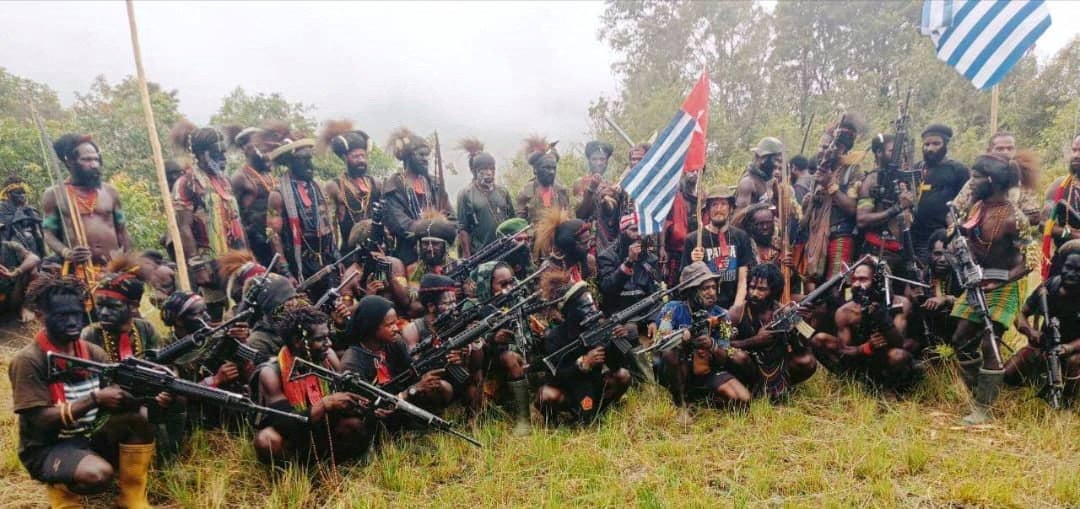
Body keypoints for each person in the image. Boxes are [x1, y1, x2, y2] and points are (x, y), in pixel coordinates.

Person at [9, 275, 156, 508]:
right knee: (98, 475)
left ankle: (132, 498)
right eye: (61, 316)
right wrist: (95, 398)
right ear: (39, 316)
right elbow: (39, 421)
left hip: (89, 433)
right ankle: (62, 494)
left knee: (140, 417)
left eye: (77, 314)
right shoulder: (29, 360)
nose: (73, 322)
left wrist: (148, 392)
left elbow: (116, 397)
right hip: (48, 446)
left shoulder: (92, 352)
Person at [948, 155, 1027, 425]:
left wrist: (1000, 280)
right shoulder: (976, 209)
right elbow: (969, 241)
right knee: (960, 339)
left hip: (1003, 286)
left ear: (991, 180)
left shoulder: (1014, 218)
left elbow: (1031, 260)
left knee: (989, 341)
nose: (972, 182)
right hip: (976, 282)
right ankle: (978, 393)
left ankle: (984, 409)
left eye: (977, 177)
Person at [251, 303, 371, 465]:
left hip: (323, 428)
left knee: (355, 425)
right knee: (267, 440)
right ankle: (295, 473)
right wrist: (325, 404)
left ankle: (333, 464)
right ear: (298, 341)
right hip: (293, 435)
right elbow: (284, 422)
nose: (328, 343)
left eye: (328, 337)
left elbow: (344, 392)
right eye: (320, 339)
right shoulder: (271, 373)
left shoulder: (327, 357)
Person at [340, 296, 453, 430]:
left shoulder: (395, 342)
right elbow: (366, 407)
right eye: (389, 325)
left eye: (396, 323)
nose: (396, 328)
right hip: (378, 413)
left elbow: (411, 373)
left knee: (442, 387)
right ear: (371, 327)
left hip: (401, 401)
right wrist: (411, 391)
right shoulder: (352, 362)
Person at [536, 268, 631, 424]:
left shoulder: (598, 328)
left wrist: (616, 340)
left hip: (594, 387)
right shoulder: (555, 337)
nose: (592, 308)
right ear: (571, 311)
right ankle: (555, 423)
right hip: (567, 391)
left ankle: (599, 411)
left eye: (591, 303)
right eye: (585, 305)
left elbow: (614, 365)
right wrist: (583, 363)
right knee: (545, 395)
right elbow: (554, 377)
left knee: (623, 375)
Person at [814, 259, 918, 393]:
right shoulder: (845, 312)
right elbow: (844, 351)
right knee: (820, 340)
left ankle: (888, 388)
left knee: (898, 356)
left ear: (878, 282)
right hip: (861, 360)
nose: (856, 284)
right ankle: (854, 382)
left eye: (863, 279)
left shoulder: (900, 303)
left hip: (887, 358)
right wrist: (865, 348)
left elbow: (899, 343)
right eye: (854, 279)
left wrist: (883, 320)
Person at [655, 262, 741, 418]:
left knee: (740, 399)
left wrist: (712, 345)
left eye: (714, 287)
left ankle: (702, 399)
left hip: (707, 371)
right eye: (705, 288)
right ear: (691, 292)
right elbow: (661, 339)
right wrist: (680, 337)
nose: (711, 292)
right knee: (670, 351)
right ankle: (680, 403)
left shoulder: (724, 316)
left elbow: (725, 353)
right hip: (679, 370)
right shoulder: (671, 309)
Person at [727, 263, 818, 401]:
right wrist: (754, 341)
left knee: (807, 361)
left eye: (761, 289)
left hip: (777, 366)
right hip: (749, 368)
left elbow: (803, 348)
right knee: (737, 357)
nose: (754, 293)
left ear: (774, 291)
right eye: (752, 287)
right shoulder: (736, 312)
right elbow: (720, 346)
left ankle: (777, 389)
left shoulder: (785, 312)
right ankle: (749, 389)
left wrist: (804, 322)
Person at [43, 133, 132, 273]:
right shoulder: (55, 194)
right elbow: (48, 234)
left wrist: (127, 262)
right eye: (87, 160)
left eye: (96, 159)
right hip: (79, 271)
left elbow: (122, 231)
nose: (94, 165)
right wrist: (67, 253)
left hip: (112, 270)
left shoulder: (110, 192)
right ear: (70, 161)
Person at [1006, 240, 1080, 401]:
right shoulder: (1050, 286)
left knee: (1074, 362)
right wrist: (1030, 332)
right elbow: (1021, 315)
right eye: (1069, 267)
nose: (1072, 273)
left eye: (1078, 270)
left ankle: (1068, 399)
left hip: (1073, 350)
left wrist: (1068, 348)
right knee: (1007, 375)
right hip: (1046, 346)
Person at [266, 130, 339, 294]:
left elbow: (329, 228)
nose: (310, 165)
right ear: (291, 162)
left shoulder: (318, 188)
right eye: (303, 160)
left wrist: (336, 256)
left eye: (310, 159)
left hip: (327, 261)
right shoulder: (278, 195)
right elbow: (274, 236)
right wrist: (286, 272)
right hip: (300, 265)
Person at [466, 261, 532, 435]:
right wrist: (491, 339)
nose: (509, 288)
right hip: (477, 365)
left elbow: (525, 340)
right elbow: (468, 344)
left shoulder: (515, 302)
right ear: (487, 284)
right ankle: (475, 419)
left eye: (511, 282)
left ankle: (524, 420)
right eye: (502, 284)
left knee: (510, 357)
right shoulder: (471, 307)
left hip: (507, 360)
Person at [797, 117, 863, 288]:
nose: (822, 151)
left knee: (835, 288)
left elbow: (852, 209)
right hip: (815, 240)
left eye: (827, 147)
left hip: (840, 236)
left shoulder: (853, 170)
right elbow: (807, 217)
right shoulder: (819, 172)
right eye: (821, 146)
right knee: (812, 289)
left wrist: (830, 185)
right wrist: (809, 203)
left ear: (842, 149)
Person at [170, 121, 248, 263]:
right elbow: (183, 227)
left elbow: (236, 219)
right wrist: (197, 264)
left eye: (224, 153)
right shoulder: (186, 183)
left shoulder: (225, 182)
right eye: (216, 154)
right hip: (207, 260)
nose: (223, 159)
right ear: (200, 155)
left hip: (234, 257)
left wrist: (246, 253)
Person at [382, 128, 455, 266]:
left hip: (438, 257)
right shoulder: (393, 187)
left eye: (427, 155)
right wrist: (439, 226)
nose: (425, 159)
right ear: (409, 156)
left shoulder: (435, 183)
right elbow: (404, 227)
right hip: (407, 258)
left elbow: (453, 220)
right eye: (421, 155)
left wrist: (439, 228)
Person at [682, 186, 753, 313]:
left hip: (733, 305)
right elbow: (684, 283)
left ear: (731, 208)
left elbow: (743, 279)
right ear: (708, 210)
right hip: (704, 309)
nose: (719, 209)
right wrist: (694, 264)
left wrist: (736, 308)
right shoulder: (693, 240)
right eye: (714, 204)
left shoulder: (741, 237)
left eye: (723, 204)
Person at [857, 133, 916, 272]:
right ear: (879, 152)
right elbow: (862, 219)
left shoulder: (905, 179)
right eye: (892, 151)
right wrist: (897, 208)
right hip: (877, 251)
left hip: (903, 253)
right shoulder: (872, 180)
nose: (899, 156)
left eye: (901, 153)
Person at [910, 124, 969, 260]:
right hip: (915, 236)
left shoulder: (958, 170)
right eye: (927, 144)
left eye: (936, 143)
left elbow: (966, 205)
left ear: (945, 144)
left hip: (942, 238)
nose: (930, 148)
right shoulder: (917, 169)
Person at [320, 120, 382, 252]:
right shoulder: (334, 186)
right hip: (349, 251)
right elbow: (328, 224)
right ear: (344, 158)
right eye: (355, 156)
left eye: (363, 156)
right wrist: (334, 254)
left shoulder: (375, 184)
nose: (361, 160)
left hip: (375, 247)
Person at [81, 261, 161, 361]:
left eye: (112, 306)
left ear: (133, 306)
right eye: (99, 305)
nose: (103, 312)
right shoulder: (90, 334)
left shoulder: (146, 329)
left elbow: (160, 362)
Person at [456, 138, 514, 259]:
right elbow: (463, 229)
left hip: (505, 250)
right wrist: (468, 257)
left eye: (492, 169)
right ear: (475, 171)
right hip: (481, 255)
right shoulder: (466, 194)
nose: (489, 173)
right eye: (485, 169)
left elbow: (512, 220)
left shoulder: (502, 192)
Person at [229, 126, 278, 266]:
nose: (264, 149)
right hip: (255, 245)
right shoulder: (240, 178)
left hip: (276, 243)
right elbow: (234, 217)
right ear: (246, 149)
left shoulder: (270, 175)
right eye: (258, 145)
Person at [597, 212, 659, 315]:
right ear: (622, 232)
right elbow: (607, 288)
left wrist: (652, 319)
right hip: (618, 314)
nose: (638, 234)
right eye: (634, 230)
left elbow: (655, 292)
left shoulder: (650, 259)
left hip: (644, 314)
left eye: (642, 230)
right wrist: (629, 262)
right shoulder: (607, 256)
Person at [0, 175, 43, 321]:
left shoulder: (30, 211)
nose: (22, 195)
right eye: (18, 192)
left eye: (23, 192)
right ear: (8, 193)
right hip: (7, 256)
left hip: (25, 256)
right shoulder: (2, 210)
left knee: (33, 269)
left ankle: (27, 305)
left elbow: (38, 242)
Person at [574, 140, 627, 252]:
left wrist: (608, 199)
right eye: (594, 159)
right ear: (589, 161)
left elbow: (614, 215)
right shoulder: (580, 183)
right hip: (586, 241)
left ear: (607, 162)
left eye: (602, 159)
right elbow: (580, 214)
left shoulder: (613, 186)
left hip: (608, 242)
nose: (598, 163)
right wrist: (591, 189)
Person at [1042, 135, 1080, 277]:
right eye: (1074, 150)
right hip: (1065, 264)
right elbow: (1043, 224)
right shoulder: (1060, 186)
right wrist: (1072, 235)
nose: (1076, 155)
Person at [516, 136, 570, 223]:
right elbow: (520, 223)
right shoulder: (526, 192)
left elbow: (569, 216)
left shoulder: (562, 191)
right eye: (547, 168)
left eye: (554, 168)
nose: (552, 172)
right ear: (536, 170)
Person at [661, 169, 699, 286]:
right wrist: (662, 247)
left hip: (696, 250)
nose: (694, 174)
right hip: (675, 251)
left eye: (697, 171)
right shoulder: (674, 196)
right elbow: (664, 222)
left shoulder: (701, 197)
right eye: (691, 171)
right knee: (675, 285)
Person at [405, 216, 458, 289]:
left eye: (435, 244)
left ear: (445, 246)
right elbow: (414, 296)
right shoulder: (415, 269)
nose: (430, 248)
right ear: (419, 245)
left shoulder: (457, 265)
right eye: (425, 243)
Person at [736, 137, 785, 209]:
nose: (778, 165)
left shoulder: (768, 180)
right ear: (763, 158)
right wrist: (761, 206)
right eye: (776, 160)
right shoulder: (747, 182)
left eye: (780, 161)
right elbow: (738, 216)